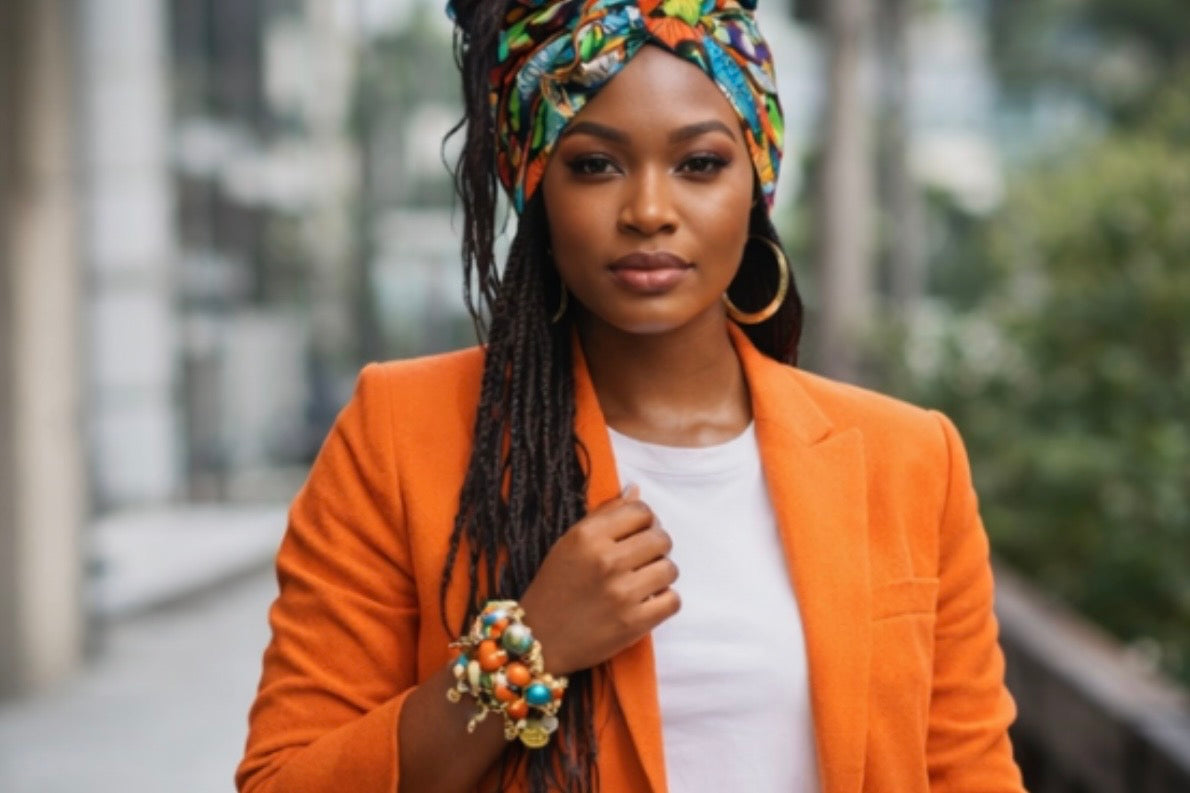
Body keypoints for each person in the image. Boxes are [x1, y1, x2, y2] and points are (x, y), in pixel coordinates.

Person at [236, 2, 1027, 792]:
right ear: (538, 185)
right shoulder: (400, 432)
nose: (649, 211)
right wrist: (527, 650)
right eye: (595, 165)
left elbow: (971, 774)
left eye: (700, 164)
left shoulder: (909, 458)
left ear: (757, 182)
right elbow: (285, 779)